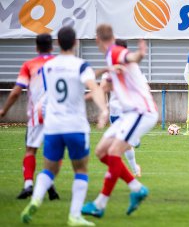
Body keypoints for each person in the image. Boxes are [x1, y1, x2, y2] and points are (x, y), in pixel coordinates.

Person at [20, 27, 109, 226]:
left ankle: (36, 199)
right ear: (75, 43)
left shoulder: (48, 66)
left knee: (49, 169)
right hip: (75, 125)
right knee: (81, 170)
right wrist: (103, 110)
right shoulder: (80, 65)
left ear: (58, 43)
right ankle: (74, 216)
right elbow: (92, 86)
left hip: (52, 125)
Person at [82, 24, 157, 218]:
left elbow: (129, 57)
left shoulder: (116, 52)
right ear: (113, 36)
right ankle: (136, 188)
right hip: (128, 115)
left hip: (141, 112)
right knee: (101, 152)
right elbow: (103, 88)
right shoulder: (110, 59)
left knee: (114, 152)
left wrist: (140, 54)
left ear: (97, 39)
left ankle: (100, 204)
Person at [0, 33, 59, 200]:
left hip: (37, 114)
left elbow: (17, 91)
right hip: (57, 115)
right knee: (53, 152)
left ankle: (28, 184)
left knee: (30, 150)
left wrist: (4, 110)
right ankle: (49, 184)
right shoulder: (59, 64)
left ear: (36, 47)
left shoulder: (30, 65)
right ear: (52, 46)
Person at [100, 39, 141, 177]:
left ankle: (126, 172)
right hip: (115, 111)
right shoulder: (110, 70)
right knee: (122, 145)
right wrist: (104, 106)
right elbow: (103, 88)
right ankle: (134, 169)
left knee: (117, 146)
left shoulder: (132, 70)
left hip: (128, 112)